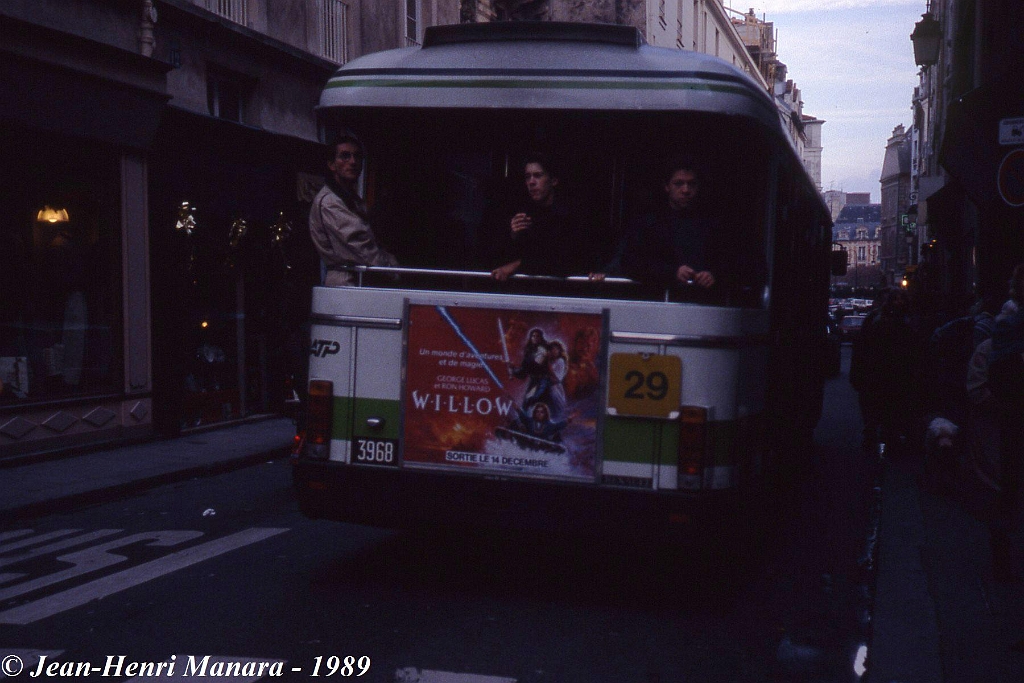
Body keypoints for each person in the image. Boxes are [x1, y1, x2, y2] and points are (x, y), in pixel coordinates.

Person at [595, 160, 717, 289]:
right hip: (657, 299)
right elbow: (630, 263)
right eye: (678, 183)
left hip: (705, 301)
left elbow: (728, 264)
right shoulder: (648, 223)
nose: (686, 190)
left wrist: (711, 275)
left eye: (691, 184)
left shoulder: (712, 225)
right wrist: (672, 272)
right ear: (667, 186)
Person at [309, 135, 398, 286]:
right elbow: (361, 247)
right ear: (332, 165)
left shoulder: (352, 199)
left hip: (360, 280)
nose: (352, 162)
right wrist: (393, 271)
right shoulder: (330, 202)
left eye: (357, 156)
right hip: (346, 283)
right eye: (345, 156)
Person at [491, 154, 585, 281]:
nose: (531, 182)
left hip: (560, 293)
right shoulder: (520, 213)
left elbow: (565, 261)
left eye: (538, 175)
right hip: (522, 291)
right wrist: (513, 236)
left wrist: (518, 265)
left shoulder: (569, 214)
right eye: (527, 176)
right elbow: (495, 258)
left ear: (553, 180)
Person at [988, 263, 1024, 581]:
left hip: (1012, 417)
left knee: (1009, 488)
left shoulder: (1004, 323)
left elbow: (995, 376)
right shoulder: (1009, 323)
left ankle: (1001, 552)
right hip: (1014, 415)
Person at [849, 288, 917, 449]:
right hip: (881, 374)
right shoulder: (904, 321)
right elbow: (861, 348)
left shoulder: (904, 321)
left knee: (884, 413)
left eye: (901, 299)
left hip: (889, 374)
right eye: (895, 299)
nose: (898, 302)